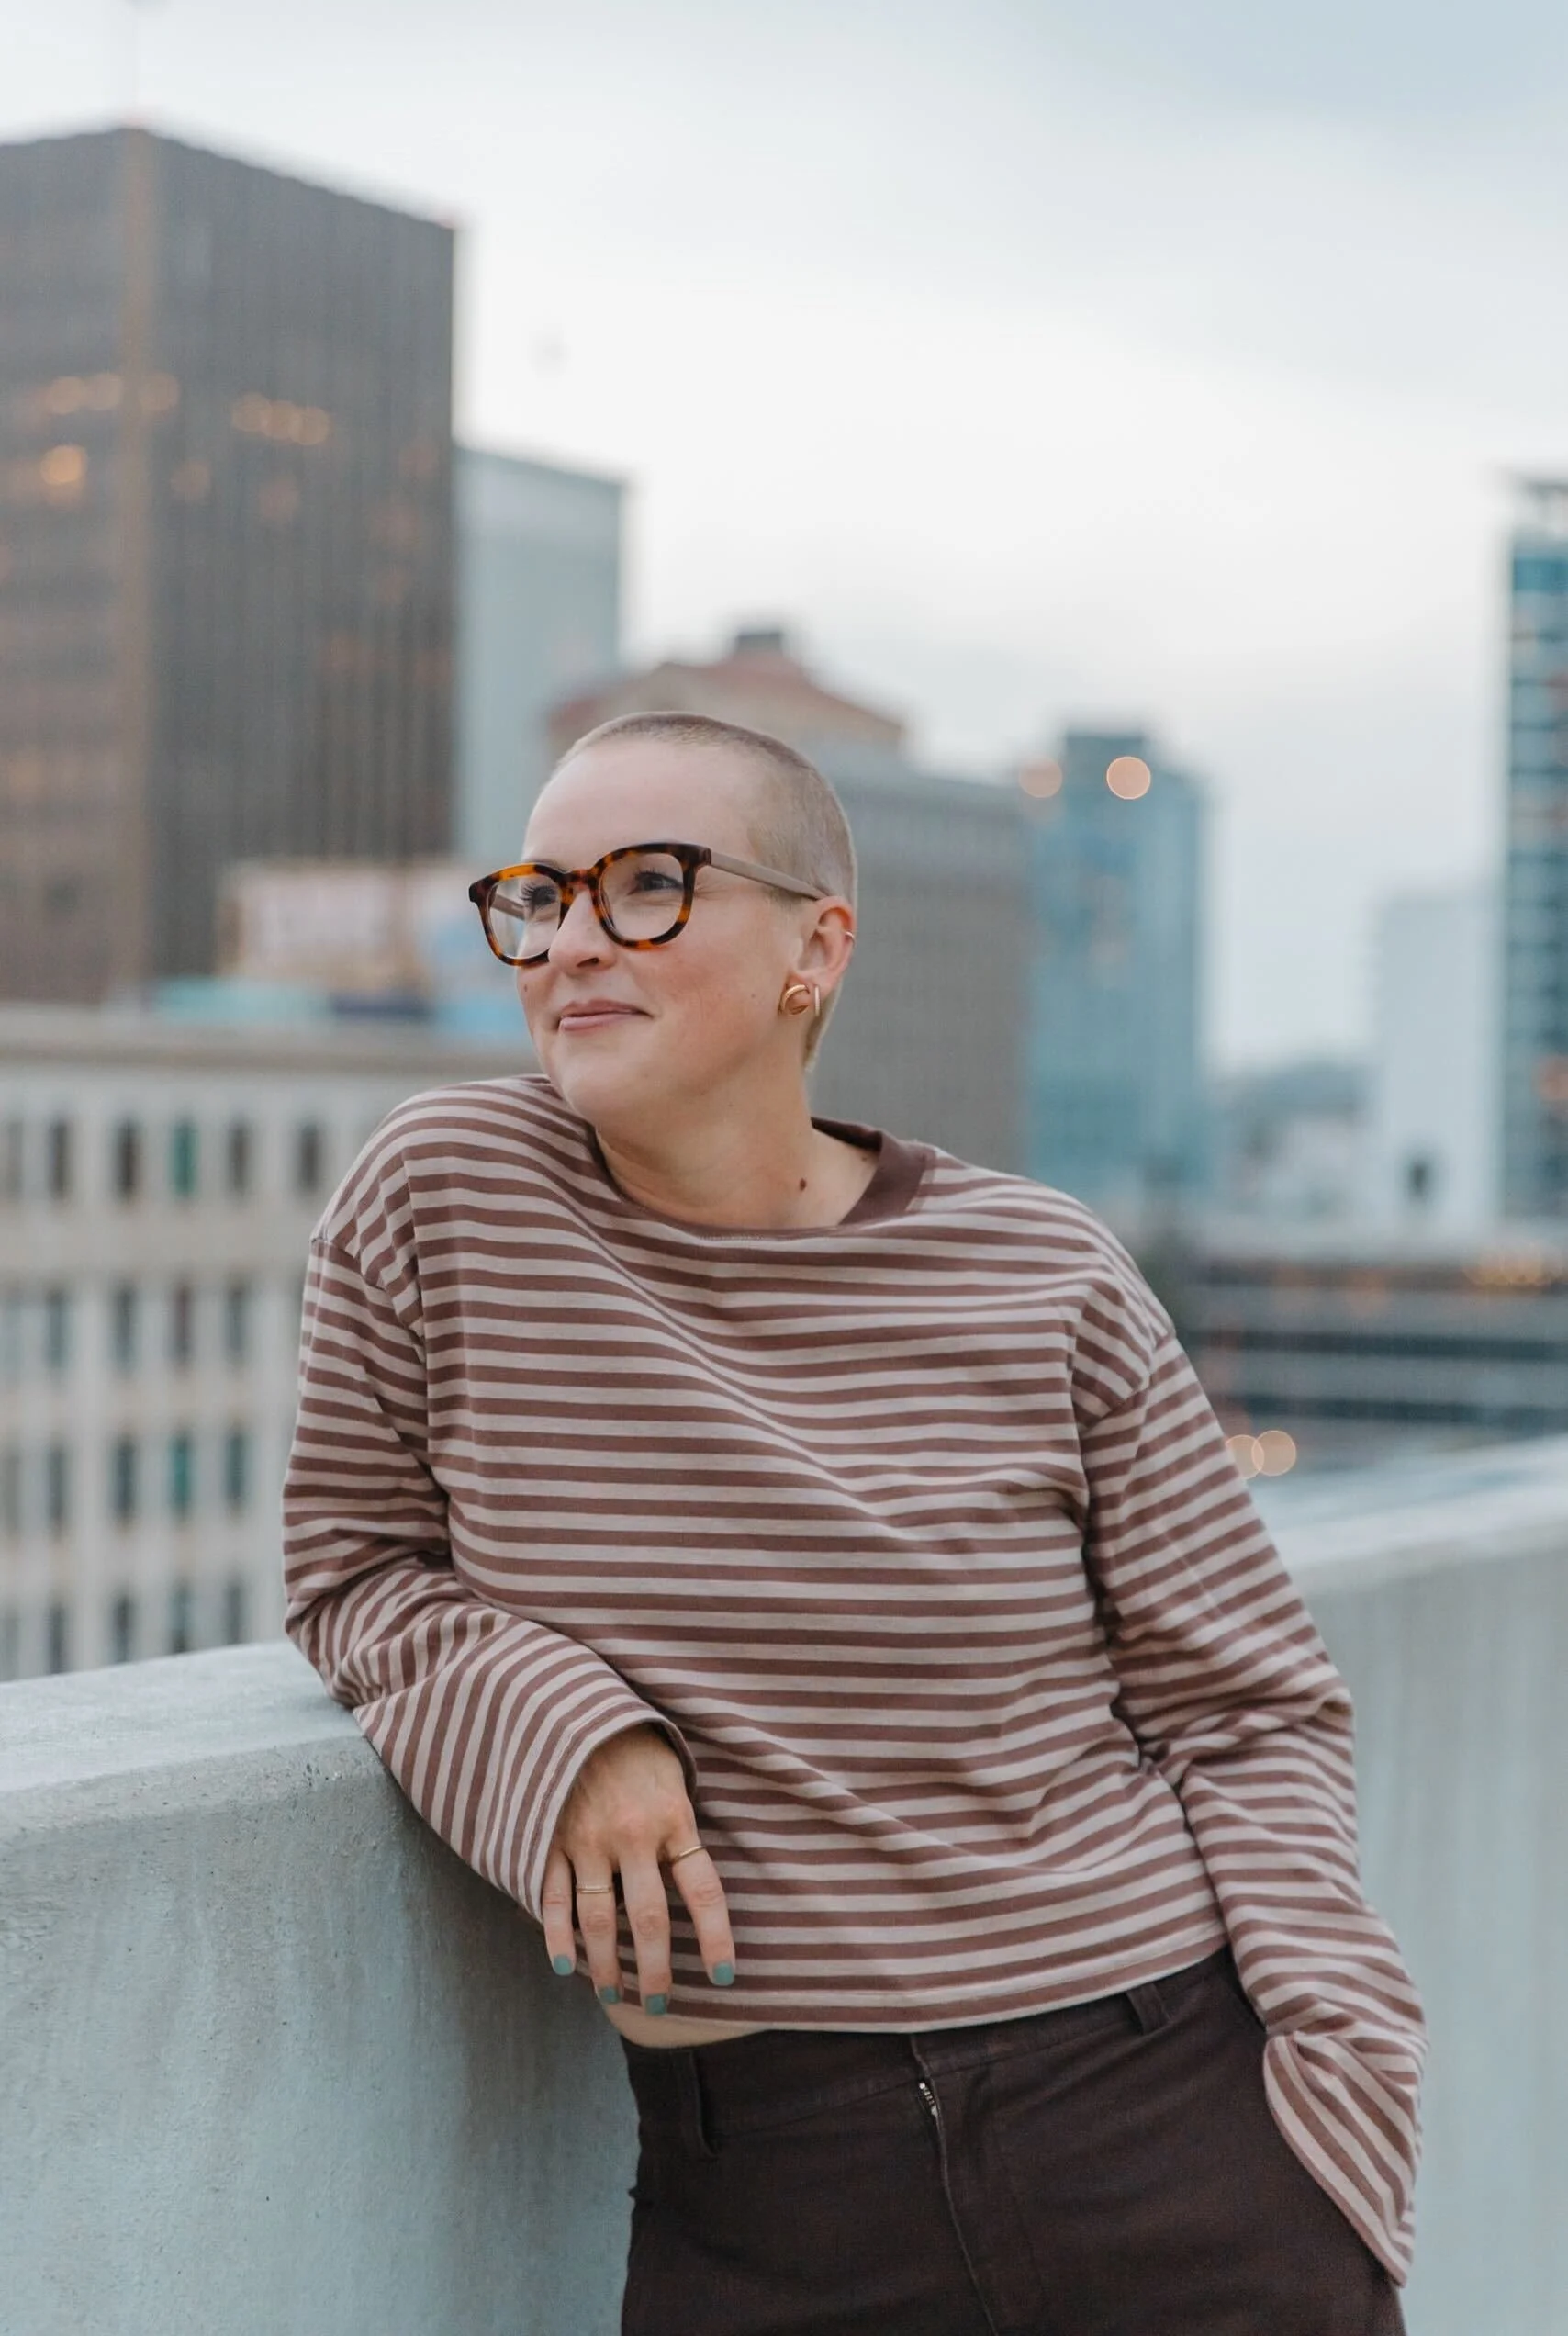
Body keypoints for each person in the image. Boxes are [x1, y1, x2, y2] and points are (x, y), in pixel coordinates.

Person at [283, 711, 1425, 2336]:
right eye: (540, 898)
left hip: (1166, 2126)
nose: (573, 943)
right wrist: (562, 1729)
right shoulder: (445, 1192)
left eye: (649, 886)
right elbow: (354, 1576)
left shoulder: (1045, 1273)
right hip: (769, 2181)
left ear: (816, 949)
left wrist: (1339, 2087)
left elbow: (1248, 1710)